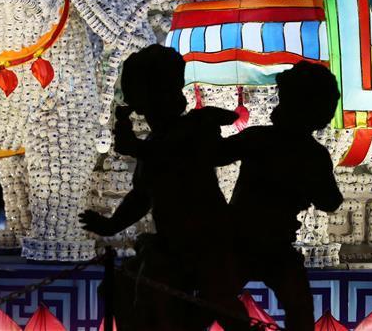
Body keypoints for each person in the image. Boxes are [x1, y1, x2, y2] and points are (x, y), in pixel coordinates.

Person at [79, 44, 248, 331]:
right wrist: (111, 226)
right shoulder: (157, 142)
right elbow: (143, 195)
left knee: (214, 301)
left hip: (207, 244)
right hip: (172, 245)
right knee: (121, 288)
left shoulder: (196, 127)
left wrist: (139, 149)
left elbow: (178, 157)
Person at [214, 61, 344, 331]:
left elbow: (216, 154)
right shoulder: (312, 154)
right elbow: (330, 200)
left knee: (214, 298)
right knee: (299, 309)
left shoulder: (259, 138)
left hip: (244, 241)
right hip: (267, 243)